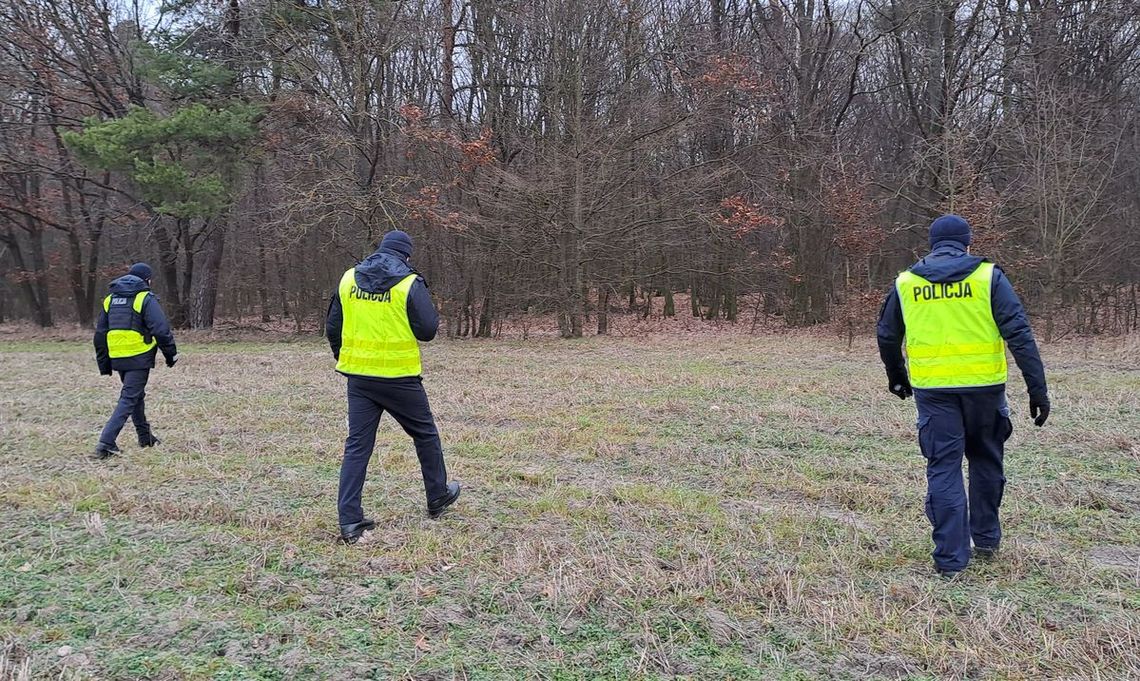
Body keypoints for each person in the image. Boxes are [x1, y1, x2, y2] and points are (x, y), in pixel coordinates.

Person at [877, 215, 1050, 580]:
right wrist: (1037, 388)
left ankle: (950, 561)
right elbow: (1019, 333)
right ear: (968, 243)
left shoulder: (906, 282)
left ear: (931, 245)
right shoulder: (988, 277)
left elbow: (887, 335)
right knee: (986, 461)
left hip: (934, 392)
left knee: (944, 468)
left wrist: (897, 376)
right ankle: (985, 541)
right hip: (985, 390)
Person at [326, 230, 460, 544]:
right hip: (400, 378)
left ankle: (350, 521)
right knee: (425, 434)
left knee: (357, 446)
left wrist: (343, 356)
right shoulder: (409, 282)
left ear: (380, 249)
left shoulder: (348, 278)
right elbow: (427, 331)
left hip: (359, 377)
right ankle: (437, 495)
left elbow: (333, 326)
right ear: (406, 255)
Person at [93, 262, 178, 459]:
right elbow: (161, 329)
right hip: (139, 355)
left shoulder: (110, 299)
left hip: (117, 356)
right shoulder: (145, 298)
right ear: (147, 280)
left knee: (135, 395)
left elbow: (100, 334)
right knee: (129, 397)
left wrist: (104, 363)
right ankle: (106, 442)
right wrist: (171, 354)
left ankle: (145, 437)